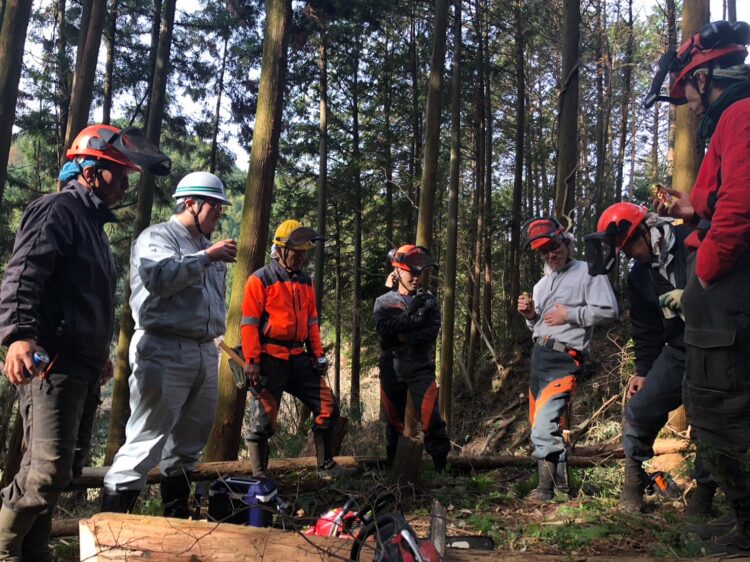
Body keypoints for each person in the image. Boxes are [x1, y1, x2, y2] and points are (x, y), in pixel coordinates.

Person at [0, 124, 169, 560]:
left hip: (82, 367)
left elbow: (85, 298)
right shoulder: (58, 210)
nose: (126, 183)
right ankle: (4, 549)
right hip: (51, 364)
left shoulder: (91, 225)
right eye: (119, 172)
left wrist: (100, 356)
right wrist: (18, 336)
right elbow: (24, 273)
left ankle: (34, 552)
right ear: (91, 170)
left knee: (63, 472)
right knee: (45, 472)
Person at [646, 19, 750, 555]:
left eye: (687, 88)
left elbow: (741, 207)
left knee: (723, 406)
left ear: (705, 78)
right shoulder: (733, 117)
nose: (686, 100)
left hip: (730, 284)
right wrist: (693, 206)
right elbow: (725, 196)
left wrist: (703, 275)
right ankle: (742, 520)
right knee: (718, 403)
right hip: (725, 283)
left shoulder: (740, 113)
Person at [101, 171, 236, 517]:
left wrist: (208, 255)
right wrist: (206, 258)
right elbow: (159, 278)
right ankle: (111, 529)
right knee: (145, 441)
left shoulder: (207, 246)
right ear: (191, 203)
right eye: (214, 206)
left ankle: (176, 522)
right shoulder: (157, 237)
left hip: (204, 350)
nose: (219, 213)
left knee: (189, 444)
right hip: (163, 348)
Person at [585, 202, 715, 516]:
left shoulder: (692, 242)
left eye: (631, 245)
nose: (631, 254)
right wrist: (643, 370)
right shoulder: (640, 276)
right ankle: (633, 485)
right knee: (640, 408)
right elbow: (646, 329)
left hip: (716, 347)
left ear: (647, 230)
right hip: (678, 349)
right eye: (624, 250)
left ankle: (703, 497)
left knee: (709, 419)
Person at [517, 217, 618, 503]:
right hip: (540, 356)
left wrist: (571, 315)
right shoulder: (541, 285)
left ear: (566, 242)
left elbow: (609, 309)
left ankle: (545, 490)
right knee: (541, 422)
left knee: (543, 425)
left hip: (565, 358)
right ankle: (561, 489)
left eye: (554, 246)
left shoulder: (588, 271)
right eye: (544, 251)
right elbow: (539, 325)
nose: (551, 254)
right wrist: (531, 316)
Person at [240, 220, 341, 478]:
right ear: (281, 250)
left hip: (298, 357)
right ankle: (260, 477)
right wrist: (252, 360)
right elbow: (249, 323)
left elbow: (312, 322)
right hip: (269, 359)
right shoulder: (260, 279)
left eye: (305, 253)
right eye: (297, 252)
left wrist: (317, 355)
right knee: (262, 420)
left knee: (328, 405)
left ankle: (325, 466)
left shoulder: (305, 281)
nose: (302, 258)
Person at [372, 245, 451, 473]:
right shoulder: (383, 302)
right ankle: (393, 469)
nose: (416, 278)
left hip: (421, 365)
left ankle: (441, 469)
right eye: (411, 273)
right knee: (394, 420)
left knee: (430, 416)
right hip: (391, 366)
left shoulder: (428, 301)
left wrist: (403, 334)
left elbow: (431, 332)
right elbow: (385, 331)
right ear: (397, 272)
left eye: (420, 273)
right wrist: (409, 316)